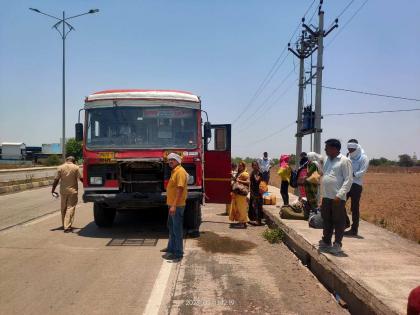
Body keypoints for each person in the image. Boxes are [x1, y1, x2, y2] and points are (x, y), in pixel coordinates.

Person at [318, 139, 353, 254]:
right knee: (327, 219)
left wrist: (340, 195)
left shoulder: (344, 161)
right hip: (327, 196)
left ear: (334, 148)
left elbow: (348, 180)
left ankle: (337, 244)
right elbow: (325, 174)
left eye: (326, 147)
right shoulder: (328, 160)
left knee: (338, 221)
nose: (325, 150)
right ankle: (326, 241)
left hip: (337, 197)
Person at [161, 153, 188, 261]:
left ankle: (178, 253)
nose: (170, 162)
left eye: (172, 160)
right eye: (169, 160)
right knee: (171, 227)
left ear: (178, 161)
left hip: (176, 205)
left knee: (176, 229)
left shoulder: (180, 172)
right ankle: (171, 248)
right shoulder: (175, 171)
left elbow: (180, 189)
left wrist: (174, 205)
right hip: (172, 204)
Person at [51, 156, 83, 233]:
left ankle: (64, 224)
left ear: (66, 160)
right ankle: (67, 227)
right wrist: (87, 186)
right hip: (73, 191)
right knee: (70, 208)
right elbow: (81, 178)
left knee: (63, 208)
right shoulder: (76, 167)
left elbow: (56, 179)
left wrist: (53, 190)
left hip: (63, 191)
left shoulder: (60, 167)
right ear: (74, 161)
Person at [344, 139, 369, 236]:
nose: (350, 151)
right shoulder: (348, 156)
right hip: (347, 184)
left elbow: (362, 172)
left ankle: (354, 230)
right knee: (339, 204)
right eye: (348, 149)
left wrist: (351, 174)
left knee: (355, 208)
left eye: (352, 149)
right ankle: (345, 223)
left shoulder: (364, 158)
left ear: (356, 148)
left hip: (356, 186)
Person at [229, 161, 250, 229]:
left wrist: (239, 181)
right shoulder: (239, 173)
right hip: (238, 193)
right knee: (238, 207)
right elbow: (236, 180)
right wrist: (233, 177)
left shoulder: (245, 173)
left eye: (241, 166)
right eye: (239, 165)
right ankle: (241, 221)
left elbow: (248, 182)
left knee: (242, 208)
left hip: (242, 193)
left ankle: (243, 223)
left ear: (244, 166)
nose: (240, 167)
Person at [248, 161, 264, 226]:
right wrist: (251, 191)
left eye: (256, 165)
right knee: (253, 206)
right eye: (253, 165)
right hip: (253, 192)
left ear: (258, 166)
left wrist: (255, 174)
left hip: (259, 192)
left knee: (258, 206)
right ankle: (254, 220)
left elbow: (258, 180)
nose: (254, 166)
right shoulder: (252, 173)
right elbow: (251, 183)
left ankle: (259, 221)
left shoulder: (260, 173)